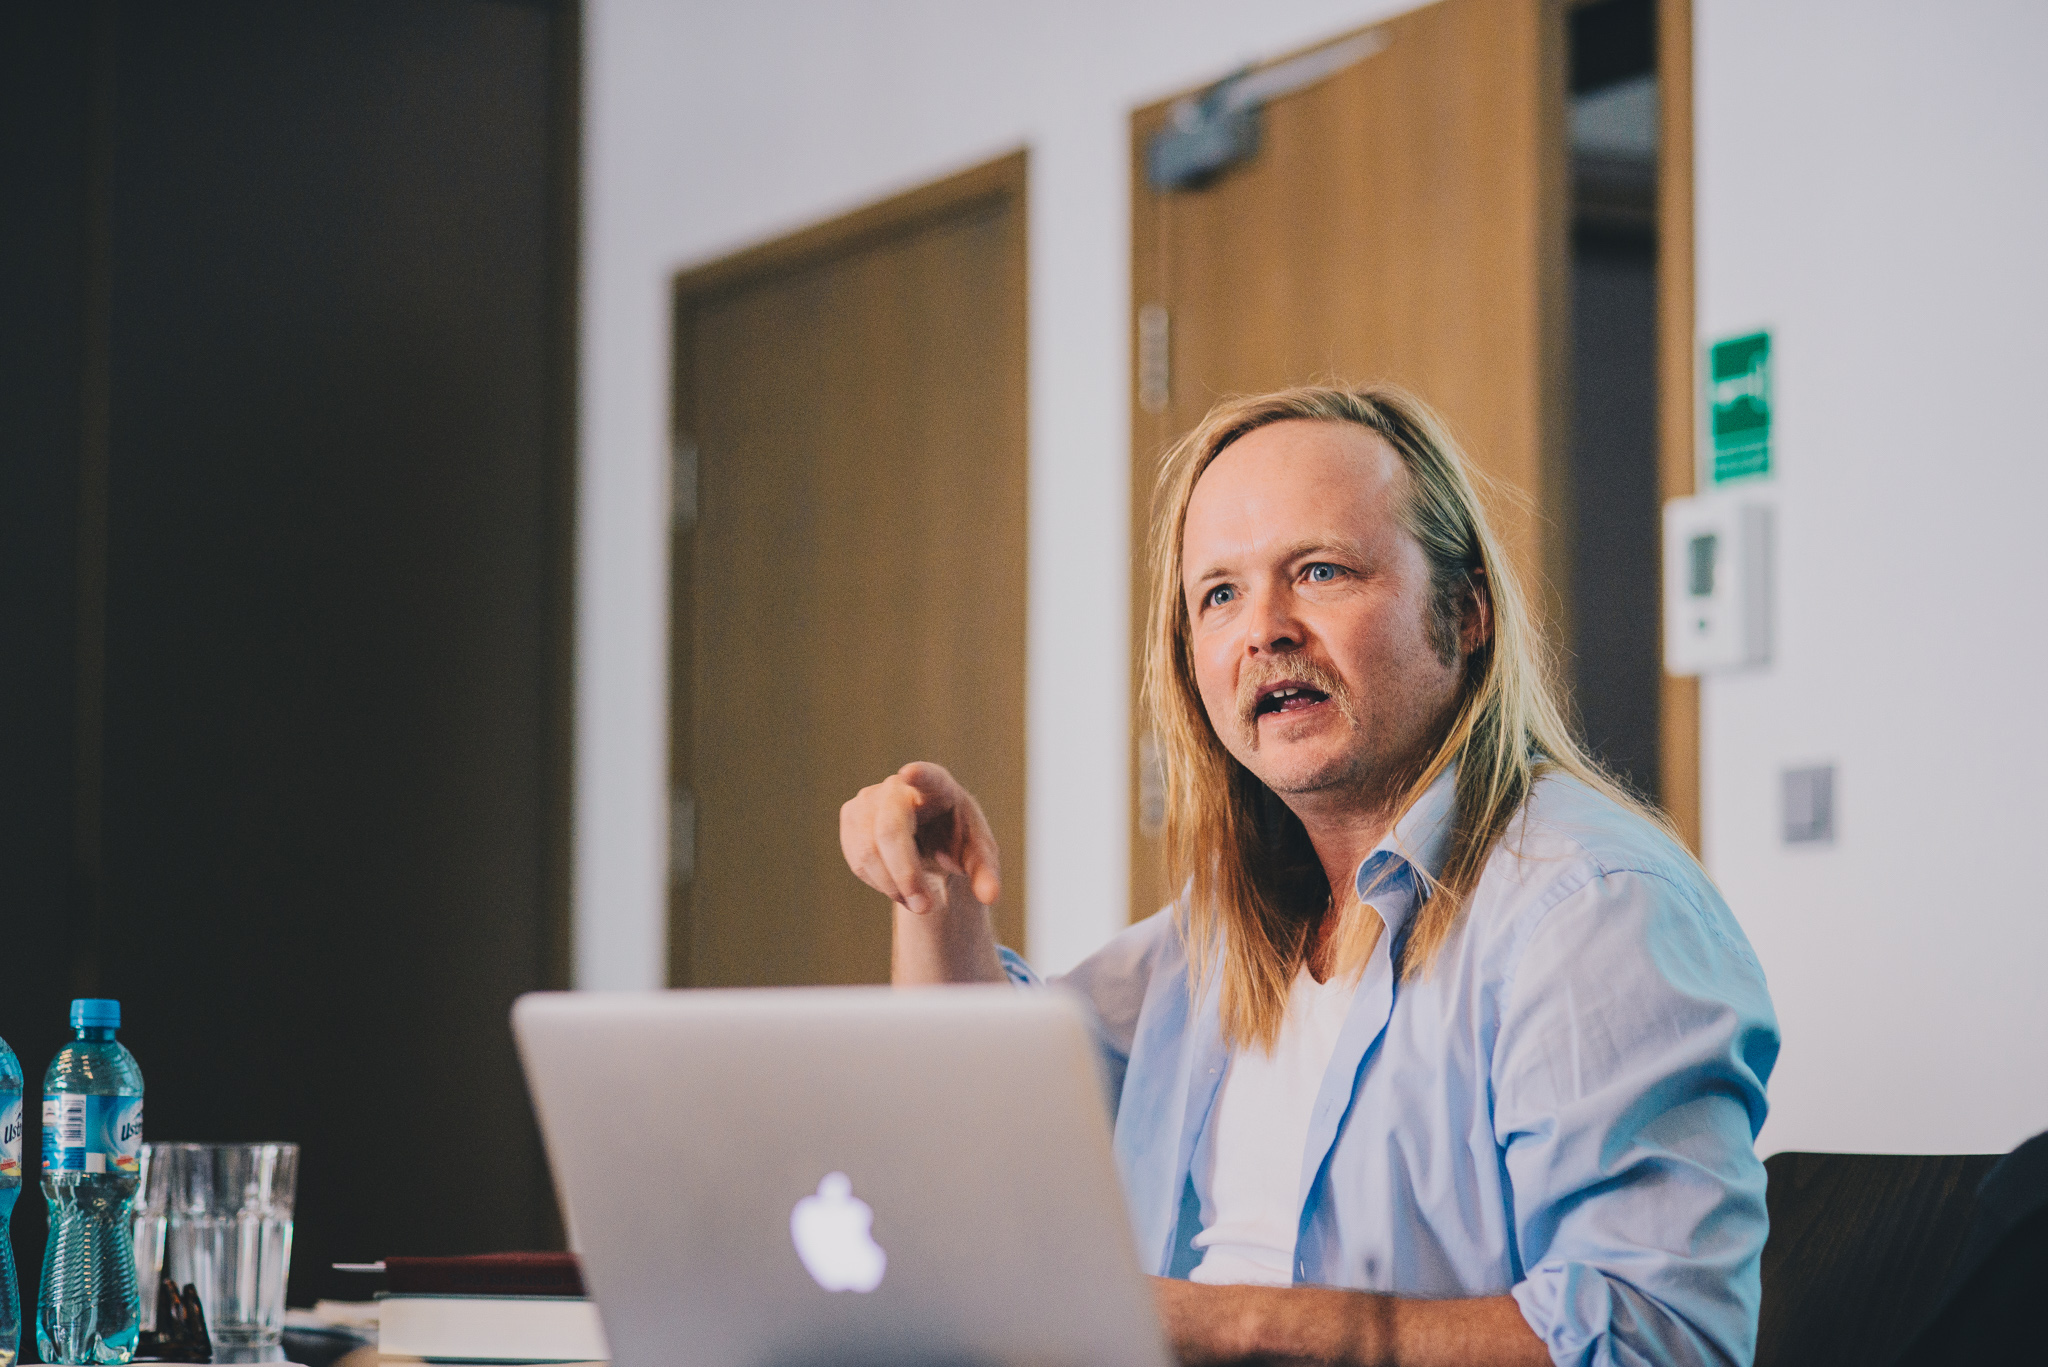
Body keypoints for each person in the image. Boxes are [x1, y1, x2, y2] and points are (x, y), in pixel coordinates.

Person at [840, 385, 1780, 1367]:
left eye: (1320, 571)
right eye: (1219, 594)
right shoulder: (1220, 935)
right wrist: (932, 892)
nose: (1265, 630)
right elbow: (980, 1126)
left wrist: (1215, 1320)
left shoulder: (1590, 904)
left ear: (1465, 613)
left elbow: (1661, 1336)